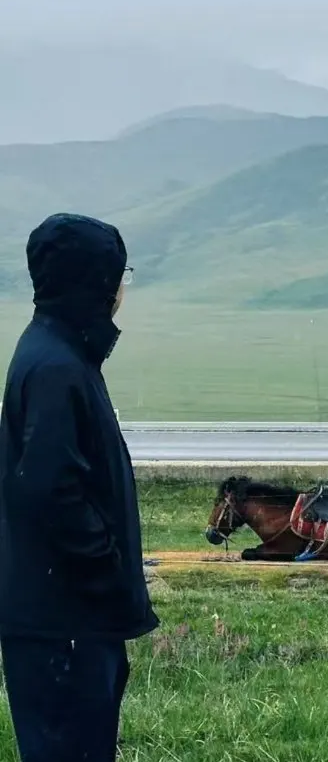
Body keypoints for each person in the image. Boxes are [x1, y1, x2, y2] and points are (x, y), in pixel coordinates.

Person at [0, 213, 159, 761]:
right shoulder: (58, 368)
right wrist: (107, 570)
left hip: (62, 617)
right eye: (119, 274)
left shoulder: (58, 352)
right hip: (66, 621)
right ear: (95, 281)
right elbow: (50, 492)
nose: (122, 288)